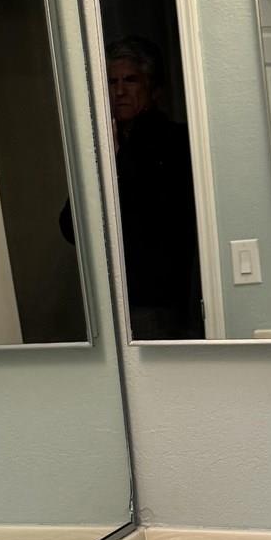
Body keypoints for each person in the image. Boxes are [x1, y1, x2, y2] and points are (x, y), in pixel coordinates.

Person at [102, 38, 204, 339]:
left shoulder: (176, 141)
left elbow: (164, 220)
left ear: (153, 89)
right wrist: (111, 154)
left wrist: (122, 158)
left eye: (130, 80)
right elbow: (71, 226)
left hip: (162, 299)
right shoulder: (102, 144)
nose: (119, 91)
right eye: (112, 81)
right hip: (111, 298)